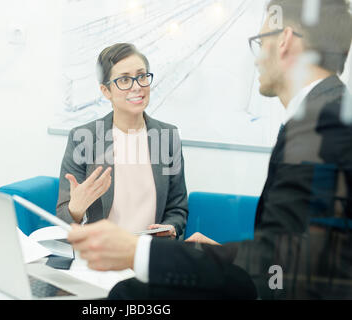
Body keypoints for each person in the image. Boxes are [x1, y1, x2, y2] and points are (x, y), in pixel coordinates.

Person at [67, 0, 352, 299]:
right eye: (124, 80)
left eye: (260, 41)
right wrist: (222, 256)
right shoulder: (322, 116)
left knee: (129, 295)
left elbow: (285, 265)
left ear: (285, 41)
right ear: (106, 90)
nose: (256, 60)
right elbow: (292, 255)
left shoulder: (324, 126)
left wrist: (139, 251)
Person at [56, 43, 188, 240]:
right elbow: (64, 217)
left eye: (142, 76)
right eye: (125, 80)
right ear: (106, 91)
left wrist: (170, 228)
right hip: (100, 253)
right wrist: (76, 208)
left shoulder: (167, 136)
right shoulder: (83, 138)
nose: (137, 86)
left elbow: (177, 208)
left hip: (148, 253)